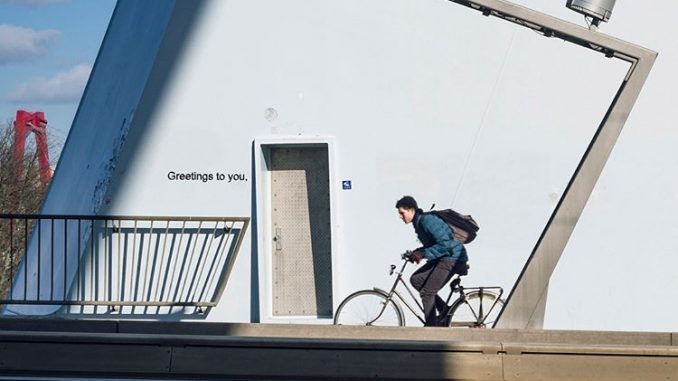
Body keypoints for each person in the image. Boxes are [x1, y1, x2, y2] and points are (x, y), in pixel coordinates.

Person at [395, 195, 468, 326]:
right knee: (416, 280)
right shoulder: (419, 223)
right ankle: (445, 311)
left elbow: (445, 244)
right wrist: (417, 253)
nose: (400, 217)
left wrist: (423, 254)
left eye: (402, 213)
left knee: (427, 292)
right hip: (444, 257)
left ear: (411, 210)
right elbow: (432, 244)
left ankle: (431, 327)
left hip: (453, 258)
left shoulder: (427, 220)